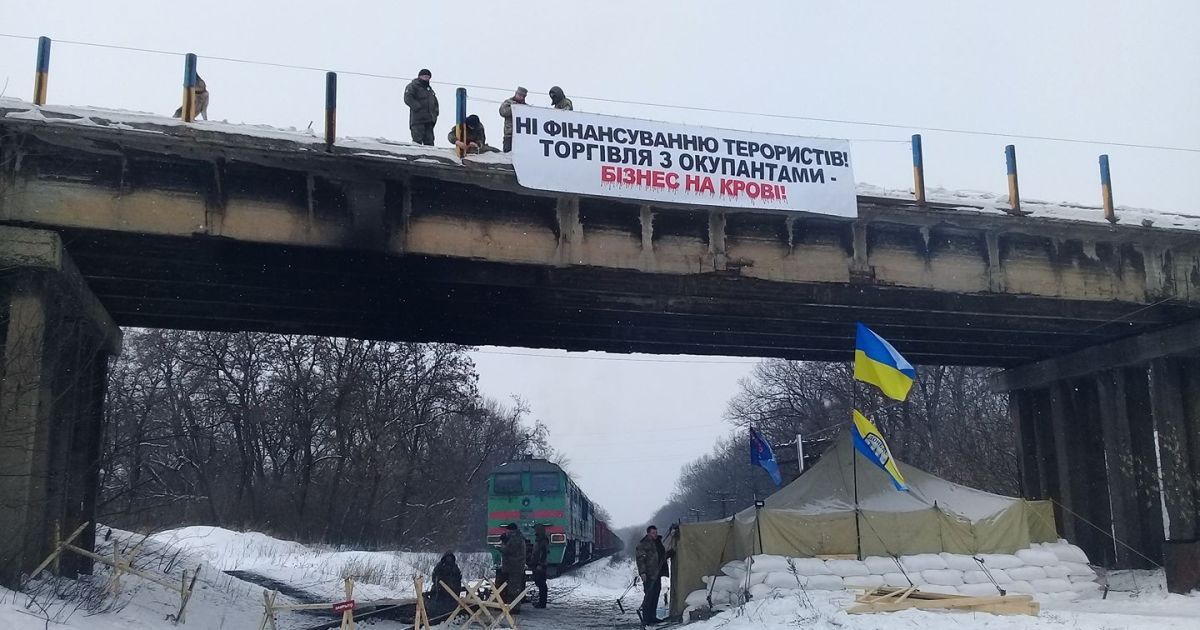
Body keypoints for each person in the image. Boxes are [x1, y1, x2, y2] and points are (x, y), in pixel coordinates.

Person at [636, 524, 666, 624]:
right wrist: (643, 573)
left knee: (655, 595)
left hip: (657, 573)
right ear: (648, 533)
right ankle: (646, 618)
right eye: (653, 533)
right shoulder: (643, 544)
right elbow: (640, 560)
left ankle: (652, 616)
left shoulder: (657, 543)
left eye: (656, 532)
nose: (655, 534)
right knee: (649, 596)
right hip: (649, 574)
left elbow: (661, 555)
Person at [403, 68, 439, 146]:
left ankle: (430, 157)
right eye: (425, 76)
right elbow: (408, 98)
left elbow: (435, 103)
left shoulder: (430, 90)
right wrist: (418, 108)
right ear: (420, 76)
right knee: (417, 142)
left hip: (429, 121)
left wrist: (435, 113)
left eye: (428, 77)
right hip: (418, 120)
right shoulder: (413, 86)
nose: (426, 78)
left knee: (430, 143)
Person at [499, 523, 527, 613]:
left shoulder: (515, 538)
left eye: (508, 530)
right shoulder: (517, 537)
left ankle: (514, 607)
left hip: (514, 566)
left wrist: (502, 546)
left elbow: (509, 550)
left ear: (511, 530)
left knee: (513, 588)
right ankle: (512, 606)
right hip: (515, 566)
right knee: (513, 587)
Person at [428, 552, 463, 618]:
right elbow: (435, 578)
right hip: (440, 591)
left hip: (451, 592)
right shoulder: (440, 566)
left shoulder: (454, 568)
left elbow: (458, 580)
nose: (449, 560)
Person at [497, 86, 528, 152]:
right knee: (507, 156)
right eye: (519, 95)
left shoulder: (526, 107)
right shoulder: (508, 102)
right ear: (516, 93)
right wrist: (514, 108)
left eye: (523, 96)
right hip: (509, 135)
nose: (521, 97)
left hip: (522, 135)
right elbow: (502, 112)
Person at [529, 524, 550, 608]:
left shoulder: (543, 540)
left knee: (541, 583)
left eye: (535, 529)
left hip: (540, 565)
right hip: (538, 564)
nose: (534, 531)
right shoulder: (540, 539)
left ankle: (542, 603)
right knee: (540, 583)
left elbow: (544, 553)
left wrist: (540, 564)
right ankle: (542, 602)